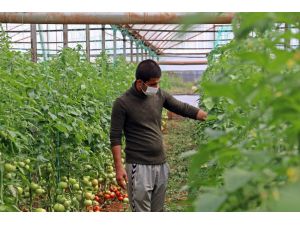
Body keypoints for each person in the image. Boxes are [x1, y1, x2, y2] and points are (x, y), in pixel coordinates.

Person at [110, 59, 207, 212]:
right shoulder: (122, 103)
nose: (157, 87)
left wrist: (205, 116)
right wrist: (119, 167)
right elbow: (115, 137)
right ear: (140, 82)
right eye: (153, 84)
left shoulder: (159, 95)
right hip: (139, 166)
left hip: (161, 164)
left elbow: (181, 107)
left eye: (158, 83)